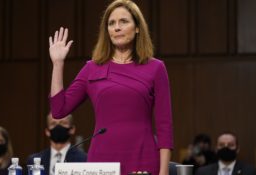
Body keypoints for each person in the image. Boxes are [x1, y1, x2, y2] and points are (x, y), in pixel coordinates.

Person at [48, 0, 173, 174]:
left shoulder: (155, 68)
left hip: (142, 157)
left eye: (124, 21)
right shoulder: (92, 68)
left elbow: (164, 125)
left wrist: (164, 171)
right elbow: (59, 110)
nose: (117, 27)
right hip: (102, 159)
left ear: (137, 28)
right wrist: (58, 64)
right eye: (111, 23)